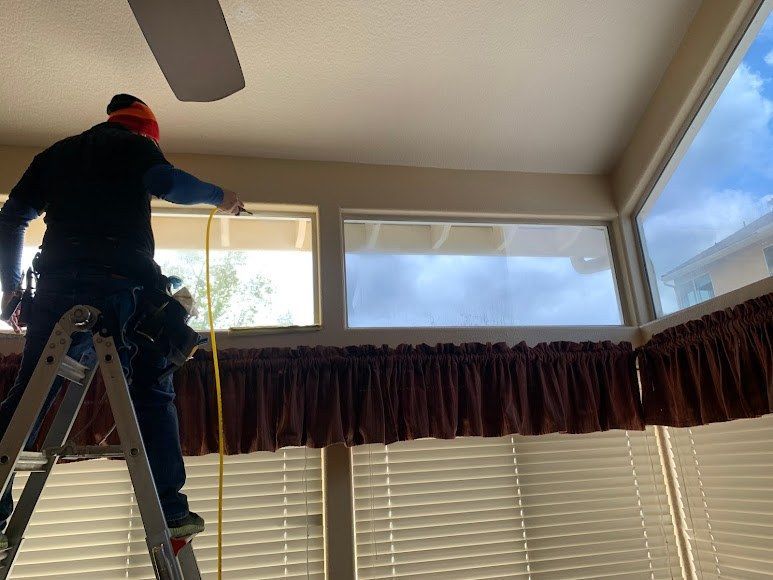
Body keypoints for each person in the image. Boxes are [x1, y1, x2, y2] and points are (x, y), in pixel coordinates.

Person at [0, 94, 243, 549]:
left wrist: (10, 291)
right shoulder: (134, 147)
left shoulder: (56, 154)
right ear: (147, 132)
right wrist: (222, 198)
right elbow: (169, 182)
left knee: (32, 391)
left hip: (55, 286)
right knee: (152, 382)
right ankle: (169, 511)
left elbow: (11, 218)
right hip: (118, 286)